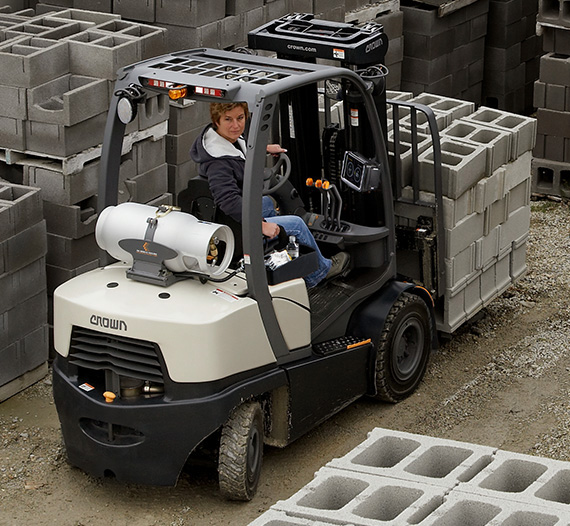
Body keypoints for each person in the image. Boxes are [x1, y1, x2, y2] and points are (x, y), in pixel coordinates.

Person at [190, 101, 350, 288]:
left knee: (266, 202)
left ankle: (279, 250)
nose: (236, 125)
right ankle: (320, 272)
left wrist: (264, 148)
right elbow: (228, 201)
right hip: (236, 225)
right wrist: (261, 226)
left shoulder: (222, 139)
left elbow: (239, 150)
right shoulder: (218, 163)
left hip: (234, 213)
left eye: (240, 118)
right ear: (216, 121)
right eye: (228, 119)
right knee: (297, 224)